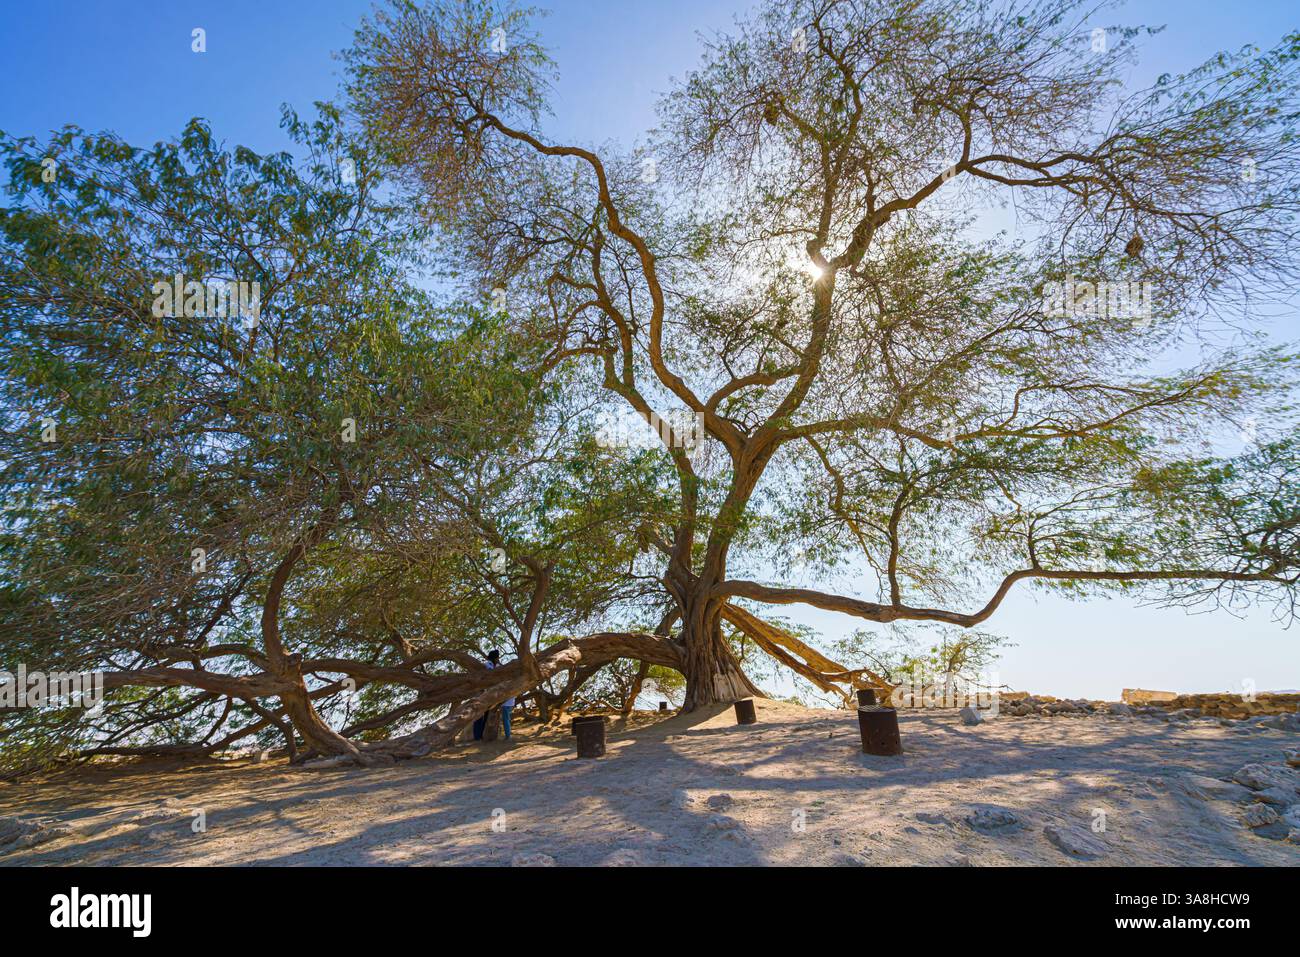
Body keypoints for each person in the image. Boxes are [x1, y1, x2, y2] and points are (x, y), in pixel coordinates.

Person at [471, 650, 515, 741]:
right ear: (493, 658)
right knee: (479, 715)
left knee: (487, 715)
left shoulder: (498, 666)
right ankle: (477, 736)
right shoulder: (487, 665)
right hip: (483, 692)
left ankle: (482, 735)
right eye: (497, 657)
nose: (498, 659)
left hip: (492, 694)